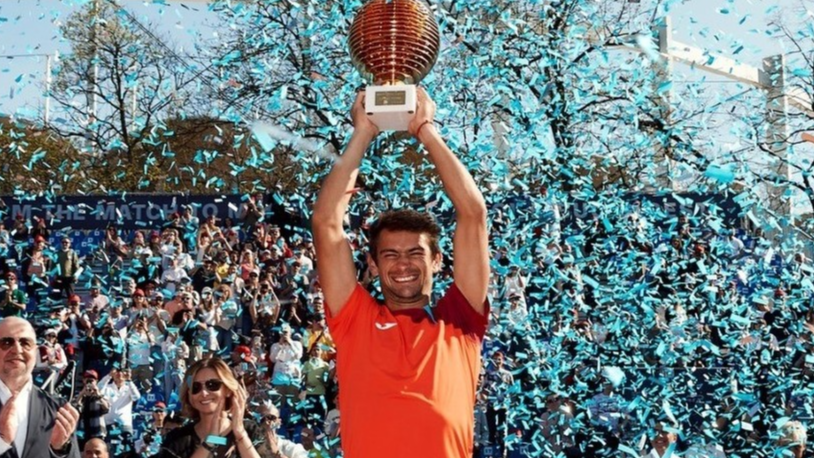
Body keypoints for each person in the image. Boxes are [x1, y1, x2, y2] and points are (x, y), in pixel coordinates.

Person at [312, 88, 490, 457]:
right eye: (390, 254)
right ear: (373, 265)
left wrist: (425, 129)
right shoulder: (354, 320)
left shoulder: (462, 321)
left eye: (415, 253)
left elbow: (473, 214)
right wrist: (362, 133)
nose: (403, 264)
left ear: (437, 260)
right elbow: (326, 222)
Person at [0, 316, 81, 458]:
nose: (17, 350)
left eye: (25, 343)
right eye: (7, 342)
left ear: (35, 352)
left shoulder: (59, 409)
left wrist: (60, 450)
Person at [157, 357, 262, 458]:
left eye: (212, 385)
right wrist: (209, 443)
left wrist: (240, 436)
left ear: (228, 390)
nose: (204, 393)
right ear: (189, 394)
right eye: (195, 387)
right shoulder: (177, 439)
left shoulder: (252, 431)